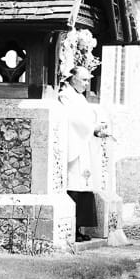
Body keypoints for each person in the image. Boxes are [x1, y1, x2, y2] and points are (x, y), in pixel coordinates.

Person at [59, 66, 108, 243]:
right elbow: (73, 120)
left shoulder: (78, 96)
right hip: (75, 147)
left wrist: (97, 128)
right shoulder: (65, 95)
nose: (87, 84)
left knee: (85, 186)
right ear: (73, 79)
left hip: (83, 145)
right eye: (84, 80)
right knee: (75, 186)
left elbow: (86, 119)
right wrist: (91, 127)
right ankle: (72, 228)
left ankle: (79, 227)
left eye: (88, 80)